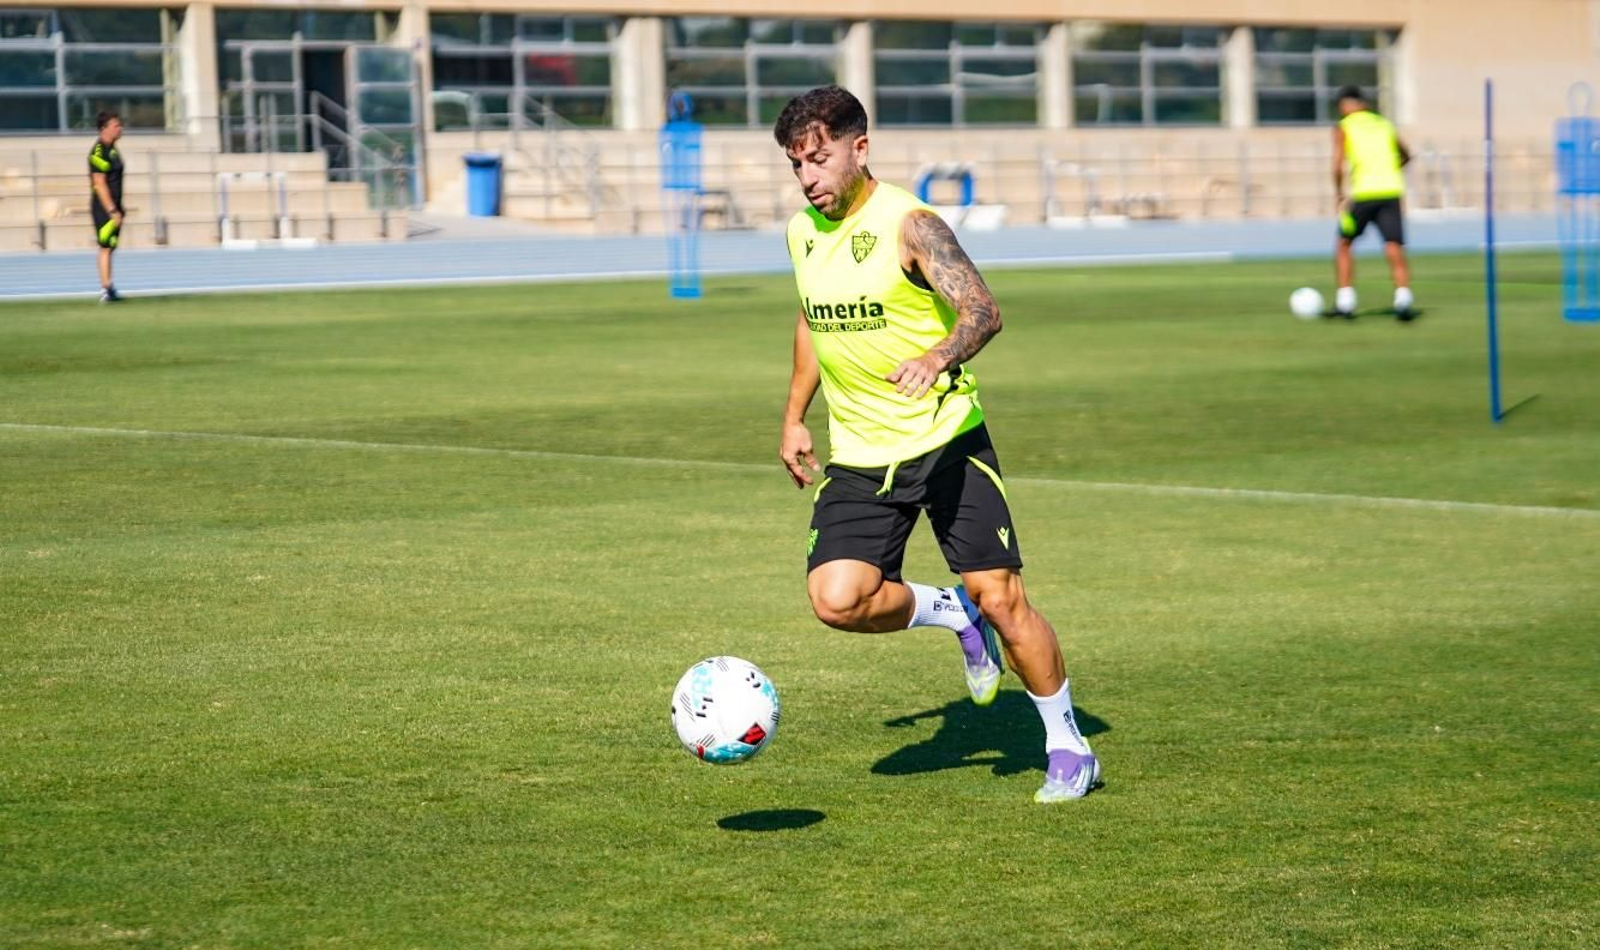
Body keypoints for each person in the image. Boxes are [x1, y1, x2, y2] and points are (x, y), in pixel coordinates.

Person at [773, 85, 1099, 803]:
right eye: (797, 166)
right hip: (860, 453)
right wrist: (796, 415)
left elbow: (983, 310)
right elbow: (811, 321)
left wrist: (939, 356)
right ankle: (951, 613)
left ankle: (1069, 746)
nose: (808, 179)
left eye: (819, 160)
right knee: (838, 600)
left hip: (947, 442)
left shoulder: (911, 225)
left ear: (860, 148)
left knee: (1005, 600)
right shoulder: (802, 233)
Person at [1332, 86, 1414, 319]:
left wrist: (1338, 193)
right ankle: (1403, 299)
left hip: (1363, 194)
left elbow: (1337, 164)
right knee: (1393, 244)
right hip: (1391, 191)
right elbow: (1406, 154)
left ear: (1345, 105)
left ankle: (1345, 302)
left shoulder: (1344, 126)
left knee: (1344, 243)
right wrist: (1391, 171)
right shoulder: (1384, 124)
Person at [88, 111, 125, 303]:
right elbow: (99, 183)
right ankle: (105, 288)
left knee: (110, 247)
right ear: (104, 129)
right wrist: (111, 210)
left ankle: (110, 286)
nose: (120, 129)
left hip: (116, 206)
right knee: (105, 247)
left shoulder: (113, 149)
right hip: (104, 209)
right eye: (116, 126)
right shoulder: (99, 152)